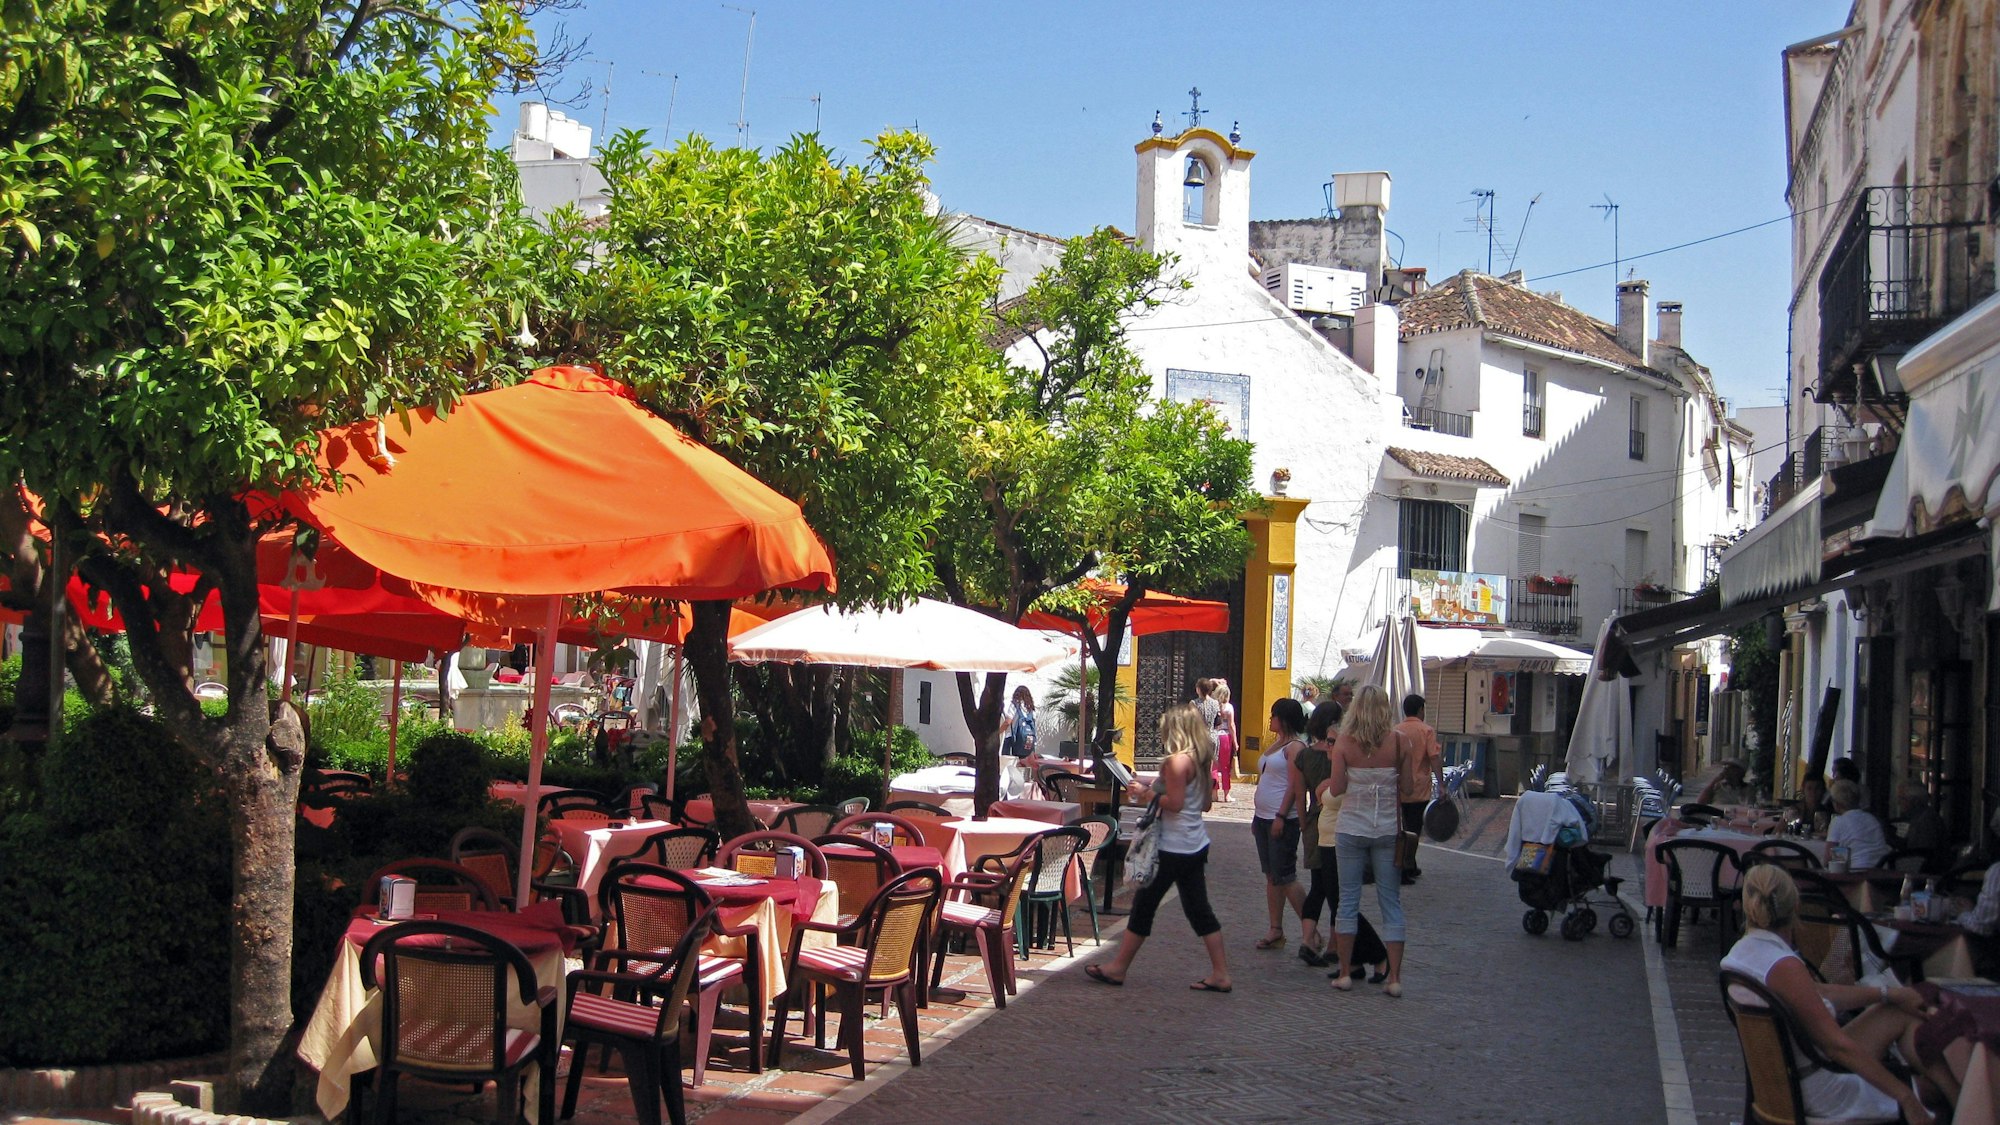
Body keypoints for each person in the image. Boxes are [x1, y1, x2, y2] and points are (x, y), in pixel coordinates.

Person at [1721, 864, 1947, 1124]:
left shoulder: (1742, 954)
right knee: (1930, 1094)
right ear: (1796, 907)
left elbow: (1821, 992)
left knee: (1898, 1012)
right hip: (1817, 1090)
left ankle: (1957, 1095)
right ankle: (1960, 1100)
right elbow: (1836, 1046)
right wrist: (1905, 1096)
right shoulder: (1783, 965)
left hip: (1785, 1077)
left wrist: (1890, 994)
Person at [1085, 702, 1231, 992]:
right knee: (1198, 909)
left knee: (1144, 907)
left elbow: (1174, 803)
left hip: (1172, 847)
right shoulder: (1200, 760)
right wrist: (1155, 787)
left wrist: (1145, 792)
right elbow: (1204, 803)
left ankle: (1118, 968)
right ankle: (1220, 973)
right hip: (1194, 843)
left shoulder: (1176, 762)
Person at [1326, 685, 1408, 996]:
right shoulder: (1400, 742)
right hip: (1387, 829)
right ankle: (1394, 978)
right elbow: (1409, 787)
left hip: (1351, 827)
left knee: (1348, 900)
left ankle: (1345, 973)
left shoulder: (1344, 743)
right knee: (1391, 902)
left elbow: (1336, 788)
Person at [1300, 700, 1390, 981]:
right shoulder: (1335, 770)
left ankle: (1379, 955)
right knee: (1337, 903)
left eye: (1333, 742)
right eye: (1328, 741)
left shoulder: (1348, 772)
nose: (1329, 746)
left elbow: (1339, 794)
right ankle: (1353, 962)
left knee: (1342, 904)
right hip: (1326, 841)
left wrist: (1324, 790)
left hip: (1341, 841)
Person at [1252, 697, 1309, 950]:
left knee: (1285, 876)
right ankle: (1275, 928)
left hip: (1281, 818)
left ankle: (1310, 929)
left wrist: (1282, 815)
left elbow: (1295, 786)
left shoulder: (1295, 747)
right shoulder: (1277, 744)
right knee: (1272, 876)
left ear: (1283, 719)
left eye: (1274, 715)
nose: (1270, 719)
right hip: (1263, 817)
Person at [1393, 694, 1443, 885]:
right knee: (1413, 829)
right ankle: (1405, 866)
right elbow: (1433, 757)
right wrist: (1441, 784)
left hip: (1397, 786)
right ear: (1421, 710)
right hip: (1419, 787)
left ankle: (1409, 864)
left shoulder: (1396, 730)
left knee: (1402, 826)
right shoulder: (1426, 730)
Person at [1826, 779, 1891, 869]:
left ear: (1837, 804)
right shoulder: (1872, 819)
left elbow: (1828, 857)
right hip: (1881, 868)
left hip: (1856, 870)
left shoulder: (1838, 821)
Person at [1210, 682, 1239, 803]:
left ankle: (1214, 793)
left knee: (1214, 767)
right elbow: (1231, 725)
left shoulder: (1212, 706)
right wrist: (1235, 742)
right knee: (1225, 767)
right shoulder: (1229, 707)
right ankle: (1227, 794)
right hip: (1225, 737)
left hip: (1214, 736)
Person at [999, 685, 1037, 760]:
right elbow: (1034, 726)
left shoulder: (1015, 705)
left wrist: (998, 732)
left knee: (1008, 762)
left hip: (1012, 739)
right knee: (1024, 762)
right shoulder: (1031, 708)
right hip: (1028, 741)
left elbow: (1008, 722)